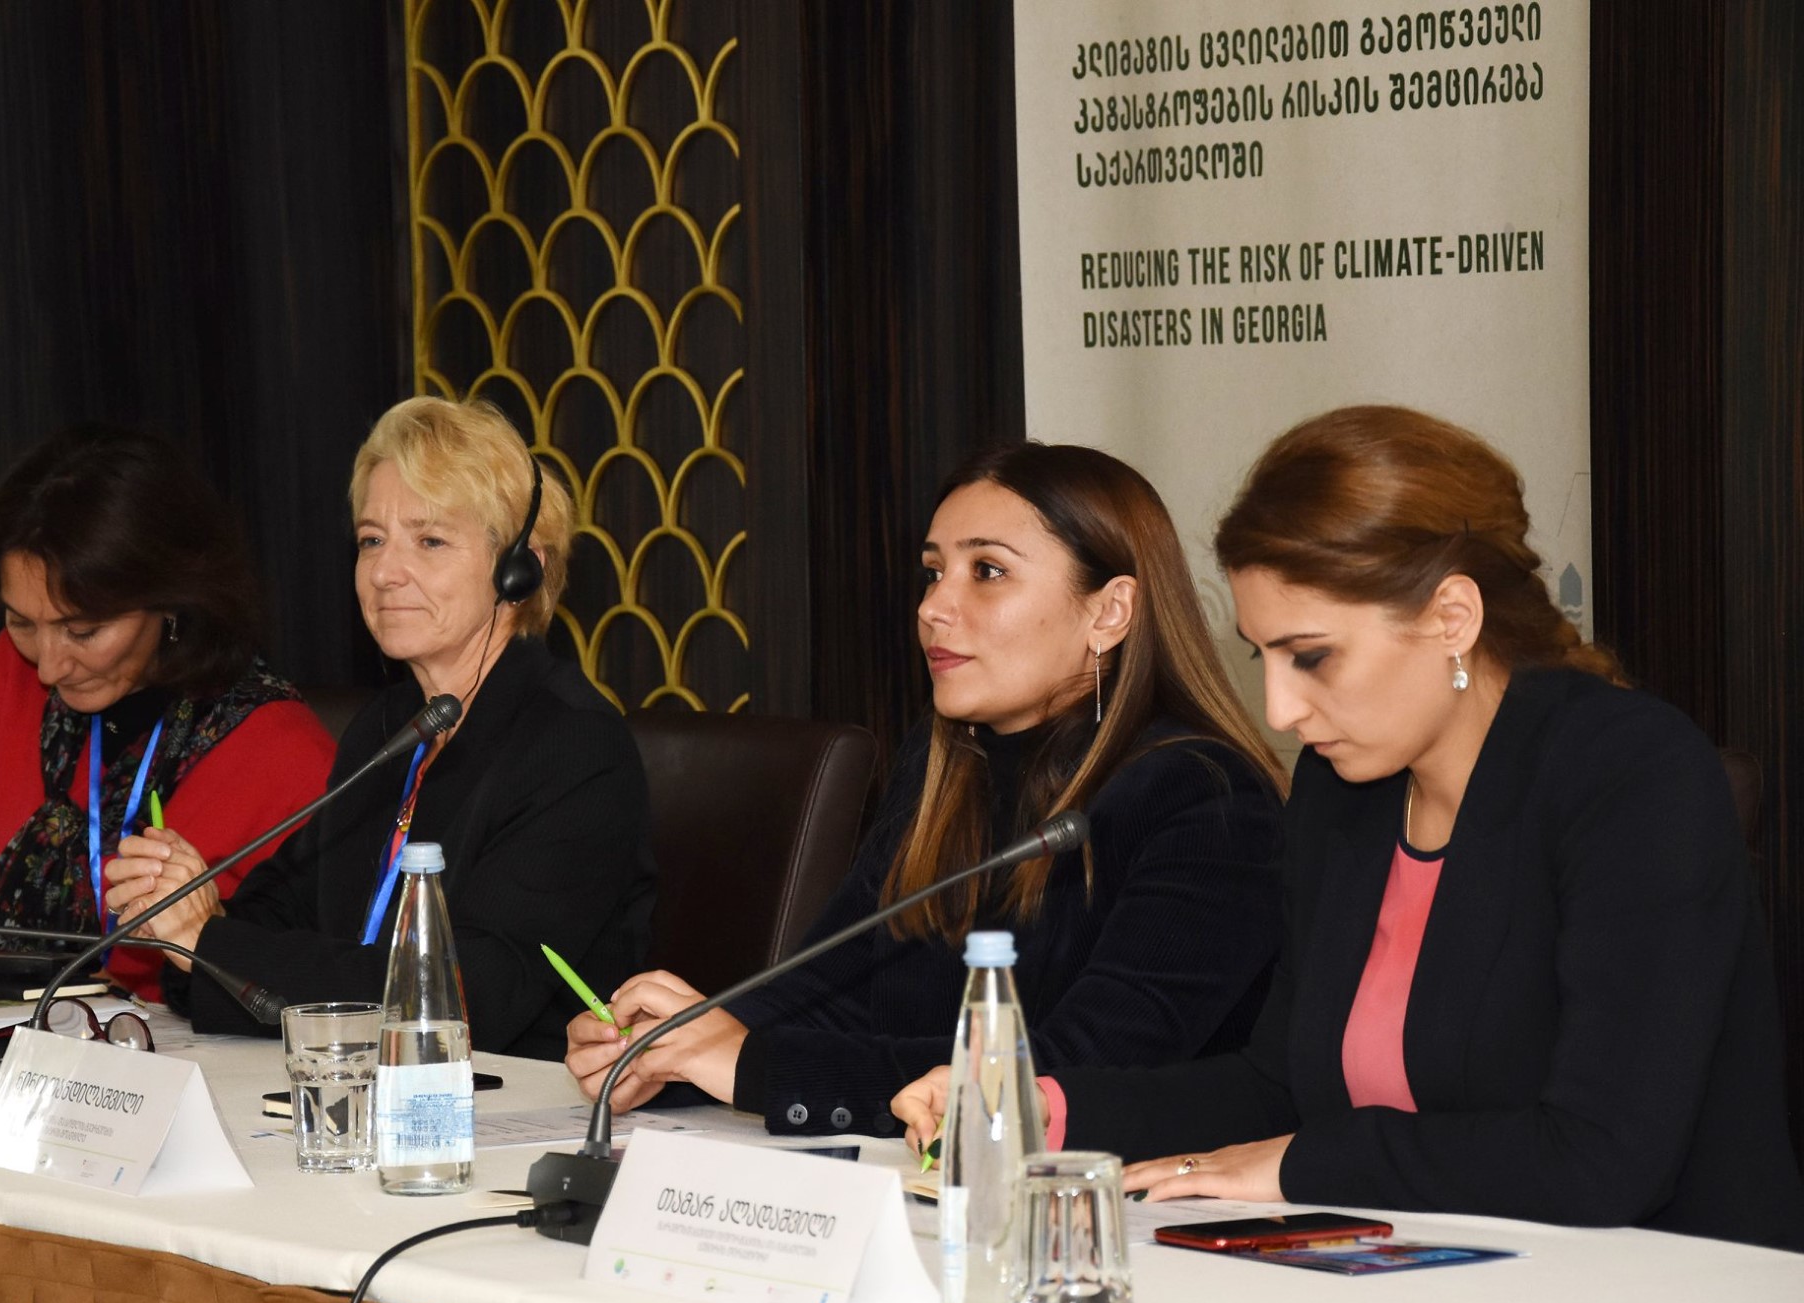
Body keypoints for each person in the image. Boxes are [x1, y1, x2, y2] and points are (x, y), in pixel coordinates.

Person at [893, 406, 1804, 1251]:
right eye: (1264, 656)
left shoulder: (1631, 776)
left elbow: (1602, 1159)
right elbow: (1281, 1084)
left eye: (1313, 657)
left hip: (1668, 1292)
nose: (1280, 710)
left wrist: (1301, 1165)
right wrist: (1040, 1106)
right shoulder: (1345, 791)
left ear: (1451, 617)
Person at [564, 442, 1286, 1135]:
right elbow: (827, 995)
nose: (934, 607)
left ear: (1110, 612)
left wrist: (750, 1063)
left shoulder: (1207, 798)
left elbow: (1080, 1068)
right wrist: (669, 1048)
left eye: (988, 571)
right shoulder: (948, 764)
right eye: (934, 572)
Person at [103, 396, 654, 1059]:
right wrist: (183, 914)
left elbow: (469, 996)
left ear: (519, 569)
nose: (385, 573)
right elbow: (270, 918)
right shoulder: (389, 728)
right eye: (371, 540)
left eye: (429, 540)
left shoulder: (573, 748)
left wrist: (208, 942)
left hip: (511, 1102)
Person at [0, 427, 337, 1001]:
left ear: (171, 598)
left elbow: (274, 977)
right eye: (21, 622)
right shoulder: (12, 670)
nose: (48, 666)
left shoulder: (279, 751)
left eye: (83, 631)